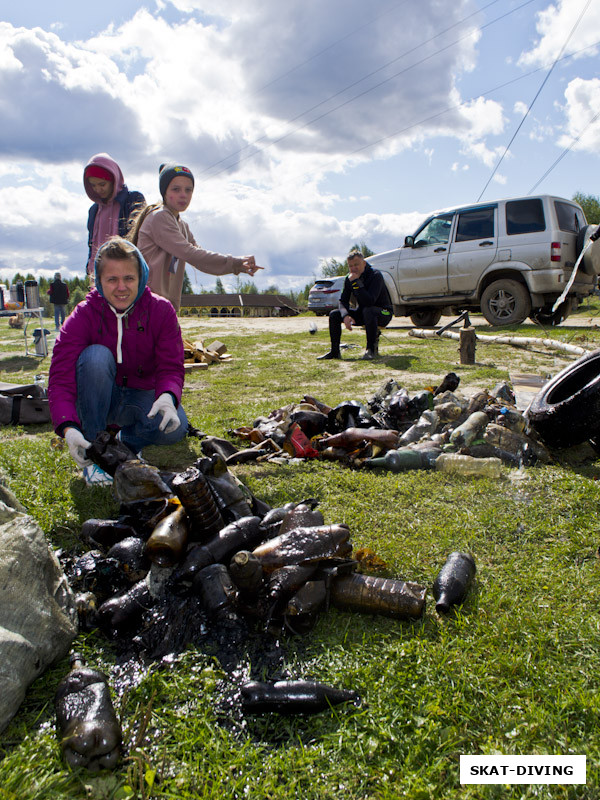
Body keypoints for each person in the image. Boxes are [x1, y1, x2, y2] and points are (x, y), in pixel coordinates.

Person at [48, 237, 188, 486]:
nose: (121, 287)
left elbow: (171, 365)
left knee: (176, 427)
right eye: (112, 279)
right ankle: (94, 451)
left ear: (142, 277)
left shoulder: (161, 311)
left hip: (138, 398)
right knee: (96, 356)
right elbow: (60, 376)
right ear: (99, 282)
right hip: (97, 398)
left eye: (129, 278)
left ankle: (123, 442)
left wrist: (168, 395)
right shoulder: (84, 314)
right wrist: (68, 427)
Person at [130, 162, 262, 311]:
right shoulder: (160, 217)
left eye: (188, 190)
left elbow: (201, 260)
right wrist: (235, 261)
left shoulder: (182, 226)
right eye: (176, 189)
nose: (183, 195)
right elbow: (190, 253)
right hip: (147, 303)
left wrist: (239, 267)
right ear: (164, 191)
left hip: (163, 307)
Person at [318, 250, 393, 361]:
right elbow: (342, 301)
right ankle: (334, 351)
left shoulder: (376, 275)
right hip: (364, 313)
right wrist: (345, 315)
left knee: (369, 310)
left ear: (364, 263)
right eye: (350, 266)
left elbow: (370, 301)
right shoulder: (350, 279)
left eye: (356, 265)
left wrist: (356, 282)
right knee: (334, 314)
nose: (353, 268)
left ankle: (370, 350)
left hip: (383, 313)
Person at [84, 153, 145, 279]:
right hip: (100, 274)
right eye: (93, 185)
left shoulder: (133, 200)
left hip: (127, 271)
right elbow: (91, 244)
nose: (98, 190)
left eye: (102, 184)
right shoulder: (94, 210)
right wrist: (89, 268)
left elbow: (143, 237)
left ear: (114, 179)